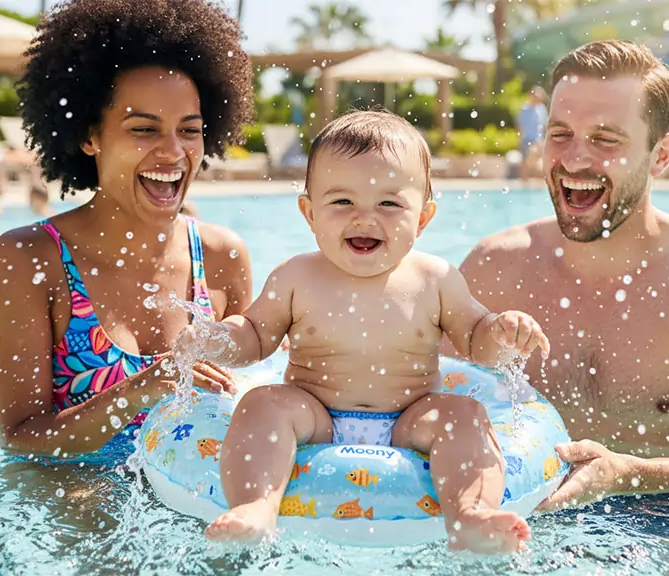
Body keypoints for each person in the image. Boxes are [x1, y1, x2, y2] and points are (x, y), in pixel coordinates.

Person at [175, 110, 550, 553]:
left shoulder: (435, 278)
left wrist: (502, 332)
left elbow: (474, 338)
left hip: (411, 420)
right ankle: (255, 507)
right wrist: (217, 338)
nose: (365, 218)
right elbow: (255, 336)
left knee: (464, 415)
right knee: (263, 403)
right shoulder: (296, 276)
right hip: (314, 416)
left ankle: (470, 514)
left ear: (423, 217)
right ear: (309, 213)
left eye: (390, 204)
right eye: (341, 202)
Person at [457, 40, 669, 510]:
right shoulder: (496, 268)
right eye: (560, 133)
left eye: (605, 139)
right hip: (529, 515)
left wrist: (628, 474)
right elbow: (414, 399)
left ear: (660, 155)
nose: (575, 159)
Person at [0, 0, 254, 459]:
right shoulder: (29, 258)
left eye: (189, 130)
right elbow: (20, 439)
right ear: (89, 136)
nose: (173, 152)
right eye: (144, 129)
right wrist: (137, 392)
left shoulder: (222, 255)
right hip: (78, 511)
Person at [515, 85, 548, 179]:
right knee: (526, 160)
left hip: (538, 140)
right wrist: (520, 138)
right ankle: (523, 181)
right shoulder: (524, 110)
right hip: (527, 139)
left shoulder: (541, 109)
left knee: (533, 160)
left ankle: (528, 178)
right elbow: (520, 126)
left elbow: (544, 125)